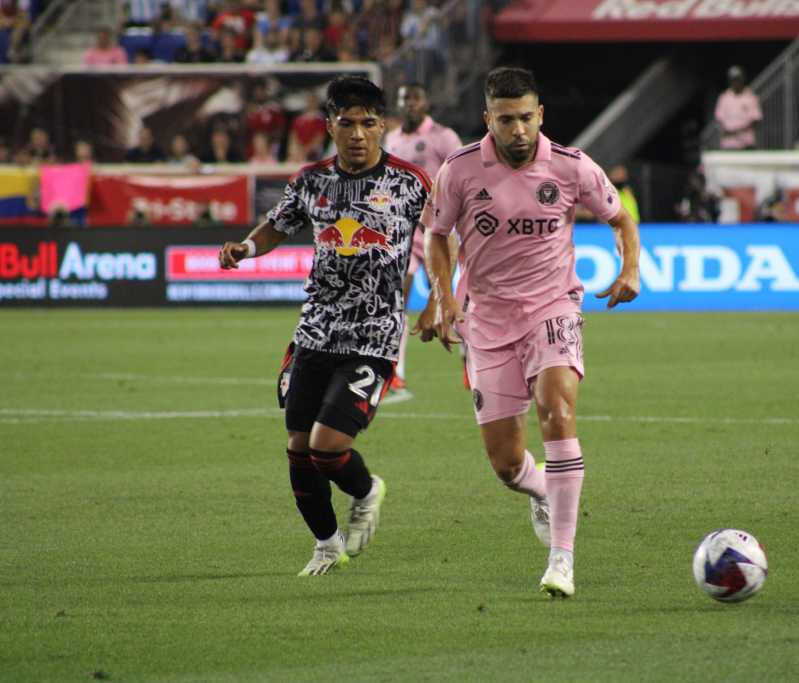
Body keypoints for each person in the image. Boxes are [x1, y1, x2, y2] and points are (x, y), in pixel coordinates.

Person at [415, 67, 641, 598]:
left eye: (525, 118)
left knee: (557, 411)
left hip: (553, 308)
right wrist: (444, 298)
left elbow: (621, 220)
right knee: (506, 463)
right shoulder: (459, 169)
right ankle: (541, 490)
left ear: (540, 115)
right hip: (487, 318)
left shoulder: (571, 165)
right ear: (487, 119)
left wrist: (630, 269)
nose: (517, 130)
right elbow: (437, 236)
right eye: (505, 120)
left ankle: (562, 559)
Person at [217, 76, 430, 576]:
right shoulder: (311, 181)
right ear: (330, 126)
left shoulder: (411, 182)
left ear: (383, 126)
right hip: (315, 331)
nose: (357, 134)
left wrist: (442, 296)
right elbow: (277, 224)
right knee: (298, 448)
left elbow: (444, 234)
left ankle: (366, 489)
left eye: (368, 123)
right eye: (346, 123)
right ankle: (327, 545)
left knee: (328, 446)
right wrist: (246, 247)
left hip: (374, 335)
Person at [382, 83, 462, 397]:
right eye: (405, 99)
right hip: (403, 230)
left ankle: (471, 357)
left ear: (426, 102)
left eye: (415, 99)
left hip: (437, 229)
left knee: (447, 297)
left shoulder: (443, 137)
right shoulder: (391, 139)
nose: (410, 104)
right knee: (396, 300)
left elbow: (461, 176)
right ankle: (395, 372)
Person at [714, 65, 762, 150]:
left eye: (737, 79)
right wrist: (724, 131)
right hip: (728, 145)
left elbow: (756, 120)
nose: (735, 82)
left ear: (742, 79)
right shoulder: (724, 97)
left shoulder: (750, 97)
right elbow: (719, 119)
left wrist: (737, 132)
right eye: (733, 80)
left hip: (746, 145)